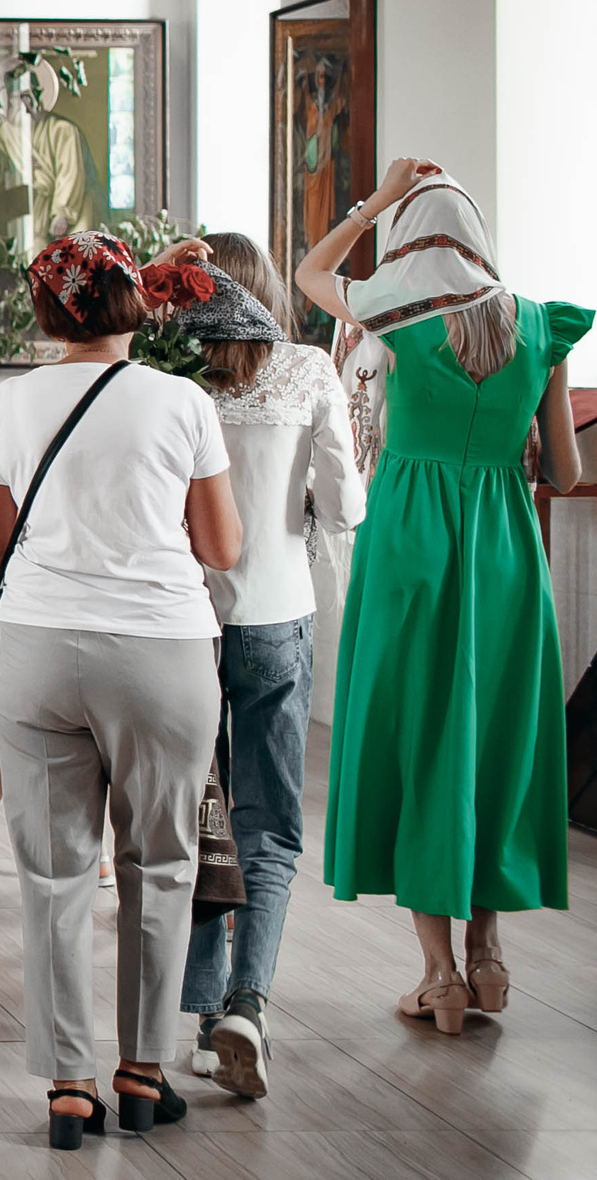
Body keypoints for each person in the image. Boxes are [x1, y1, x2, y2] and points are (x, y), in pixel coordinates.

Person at [297, 161, 585, 1033]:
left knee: (421, 736)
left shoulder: (394, 317)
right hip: (505, 549)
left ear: (414, 238)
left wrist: (371, 203)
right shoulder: (541, 328)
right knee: (492, 739)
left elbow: (311, 276)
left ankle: (439, 973)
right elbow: (566, 474)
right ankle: (491, 957)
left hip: (411, 544)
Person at [0, 231, 241, 1147]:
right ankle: (143, 1069)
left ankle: (69, 1085)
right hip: (162, 651)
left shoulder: (8, 401)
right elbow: (223, 547)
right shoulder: (182, 400)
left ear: (47, 311)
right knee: (159, 863)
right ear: (134, 303)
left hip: (42, 649)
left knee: (51, 873)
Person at [138, 232, 363, 1099]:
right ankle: (247, 1004)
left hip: (190, 624)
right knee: (270, 825)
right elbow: (346, 503)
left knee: (202, 815)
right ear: (267, 289)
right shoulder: (311, 370)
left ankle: (198, 1013)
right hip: (277, 619)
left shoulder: (172, 382)